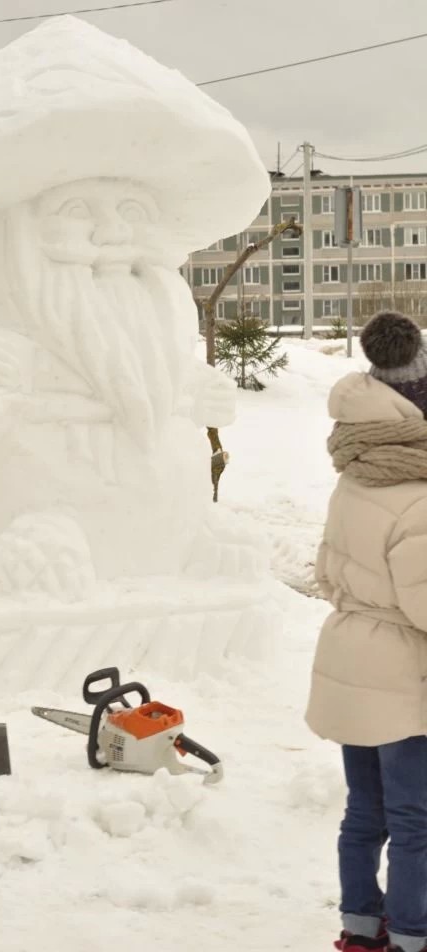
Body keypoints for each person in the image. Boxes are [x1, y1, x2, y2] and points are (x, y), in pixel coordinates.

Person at [306, 311, 427, 952]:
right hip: (402, 678)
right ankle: (412, 932)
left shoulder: (354, 478)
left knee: (366, 812)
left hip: (350, 661)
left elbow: (327, 570)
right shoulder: (417, 493)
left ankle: (360, 927)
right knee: (416, 820)